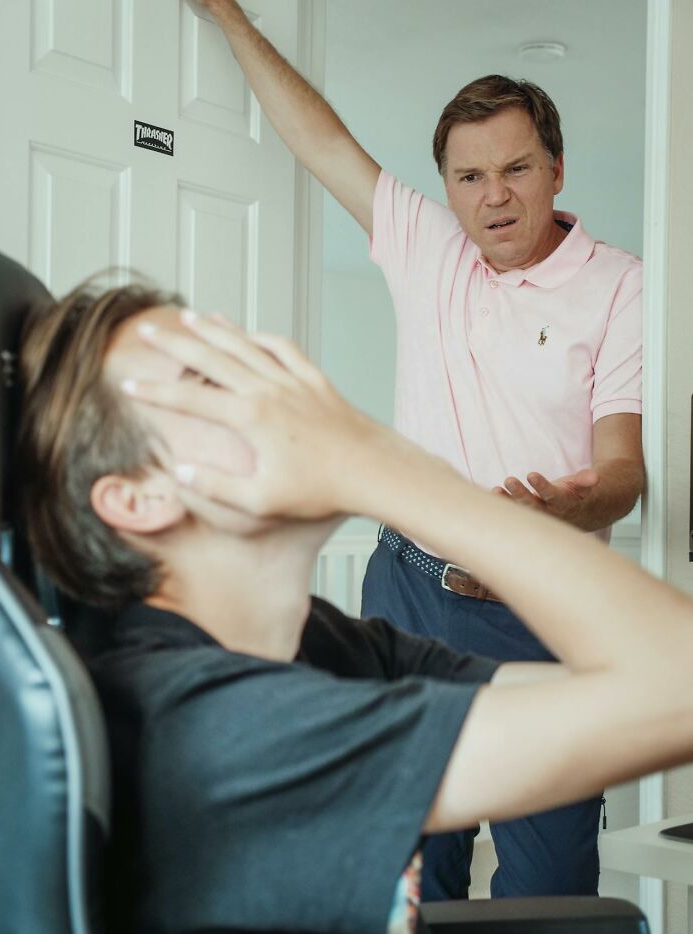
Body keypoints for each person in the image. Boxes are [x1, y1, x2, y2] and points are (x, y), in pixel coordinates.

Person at [17, 282, 693, 934]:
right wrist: (378, 466)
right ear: (137, 500)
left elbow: (645, 684)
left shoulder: (312, 642)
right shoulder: (212, 725)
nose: (275, 387)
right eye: (209, 382)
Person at [197, 0, 645, 900]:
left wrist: (566, 510)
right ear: (446, 187)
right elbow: (320, 140)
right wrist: (228, 13)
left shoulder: (620, 285)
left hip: (542, 613)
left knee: (550, 891)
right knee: (413, 870)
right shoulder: (428, 247)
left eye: (516, 169)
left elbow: (624, 468)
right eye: (470, 176)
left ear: (556, 169)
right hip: (405, 594)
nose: (494, 195)